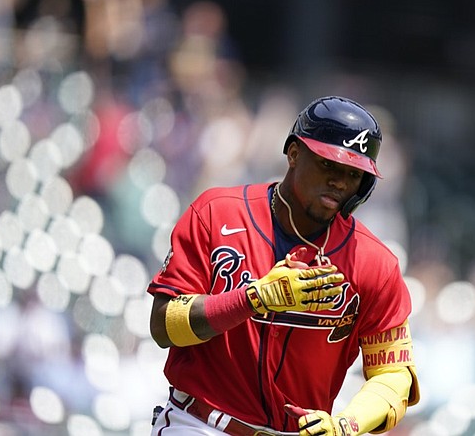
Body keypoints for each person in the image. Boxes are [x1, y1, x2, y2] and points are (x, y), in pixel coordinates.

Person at [148, 95, 419, 436]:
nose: (339, 181)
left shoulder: (374, 263)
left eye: (353, 174)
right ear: (293, 154)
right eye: (328, 165)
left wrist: (346, 426)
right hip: (201, 424)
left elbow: (394, 375)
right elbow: (163, 325)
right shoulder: (216, 214)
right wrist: (251, 299)